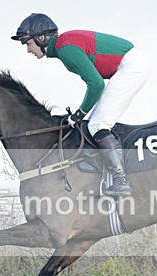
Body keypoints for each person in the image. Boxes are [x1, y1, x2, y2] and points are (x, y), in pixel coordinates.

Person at [11, 13, 147, 197]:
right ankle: (105, 178)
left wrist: (79, 113)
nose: (28, 50)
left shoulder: (65, 49)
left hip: (130, 67)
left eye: (28, 43)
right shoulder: (62, 47)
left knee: (97, 125)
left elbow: (96, 84)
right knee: (93, 125)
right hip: (126, 66)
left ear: (41, 38)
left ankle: (121, 181)